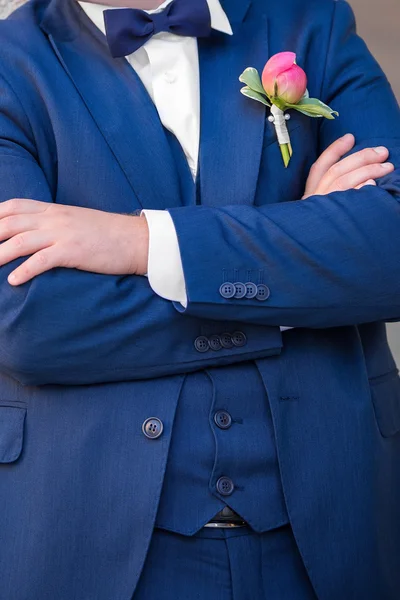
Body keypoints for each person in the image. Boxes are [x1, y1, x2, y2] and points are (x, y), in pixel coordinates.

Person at [0, 0, 399, 598]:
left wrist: (144, 243)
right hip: (88, 533)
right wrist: (291, 288)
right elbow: (29, 322)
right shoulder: (9, 64)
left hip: (330, 522)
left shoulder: (311, 22)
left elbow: (389, 247)